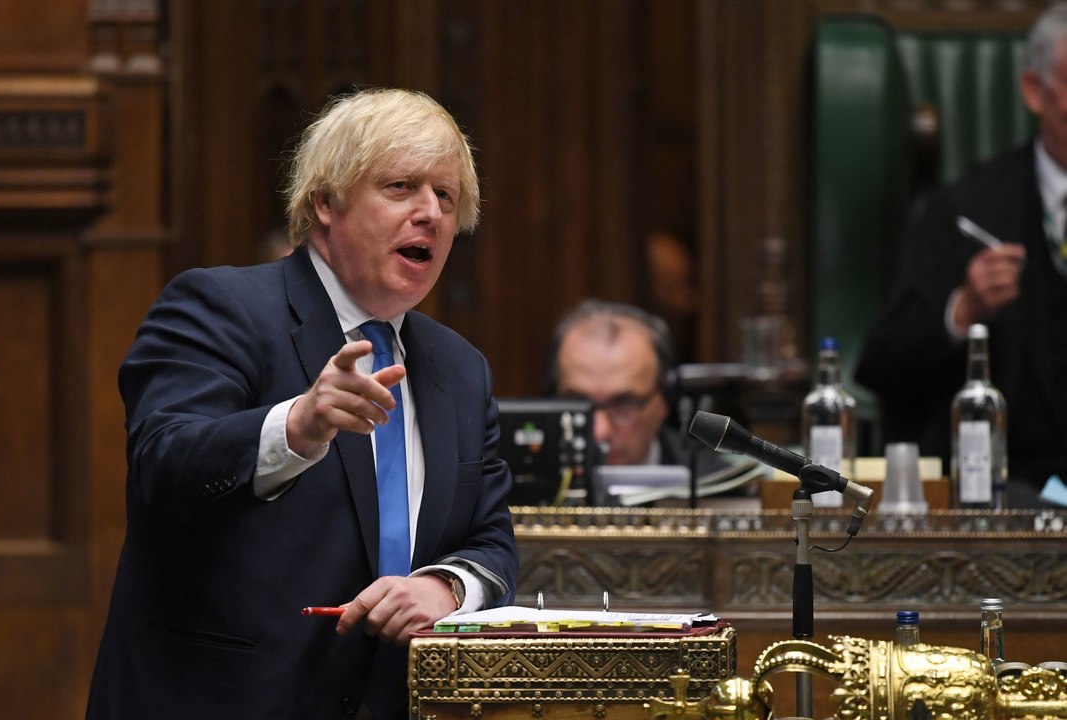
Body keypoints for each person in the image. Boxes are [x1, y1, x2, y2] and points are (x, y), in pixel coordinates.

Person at [86, 88, 519, 720]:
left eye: (446, 196)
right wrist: (297, 425)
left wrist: (446, 586)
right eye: (400, 187)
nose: (429, 212)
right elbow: (162, 465)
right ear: (325, 202)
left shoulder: (460, 367)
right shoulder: (220, 307)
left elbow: (492, 539)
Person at [855, 3, 1067, 507]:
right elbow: (883, 364)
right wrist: (963, 309)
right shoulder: (968, 209)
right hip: (1011, 493)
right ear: (1035, 91)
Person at [545, 299, 726, 479]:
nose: (600, 431)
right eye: (578, 402)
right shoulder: (527, 486)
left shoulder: (719, 486)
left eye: (624, 403)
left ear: (664, 400)